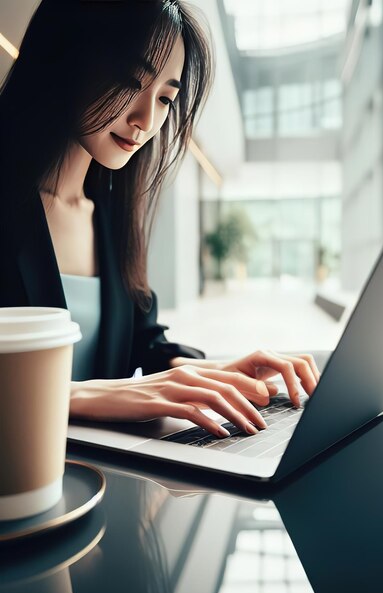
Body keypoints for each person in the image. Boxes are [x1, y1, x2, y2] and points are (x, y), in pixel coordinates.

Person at [0, 0, 319, 439]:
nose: (146, 119)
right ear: (68, 53)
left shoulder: (108, 212)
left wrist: (212, 371)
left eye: (166, 97)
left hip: (105, 482)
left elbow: (141, 339)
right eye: (131, 81)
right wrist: (83, 395)